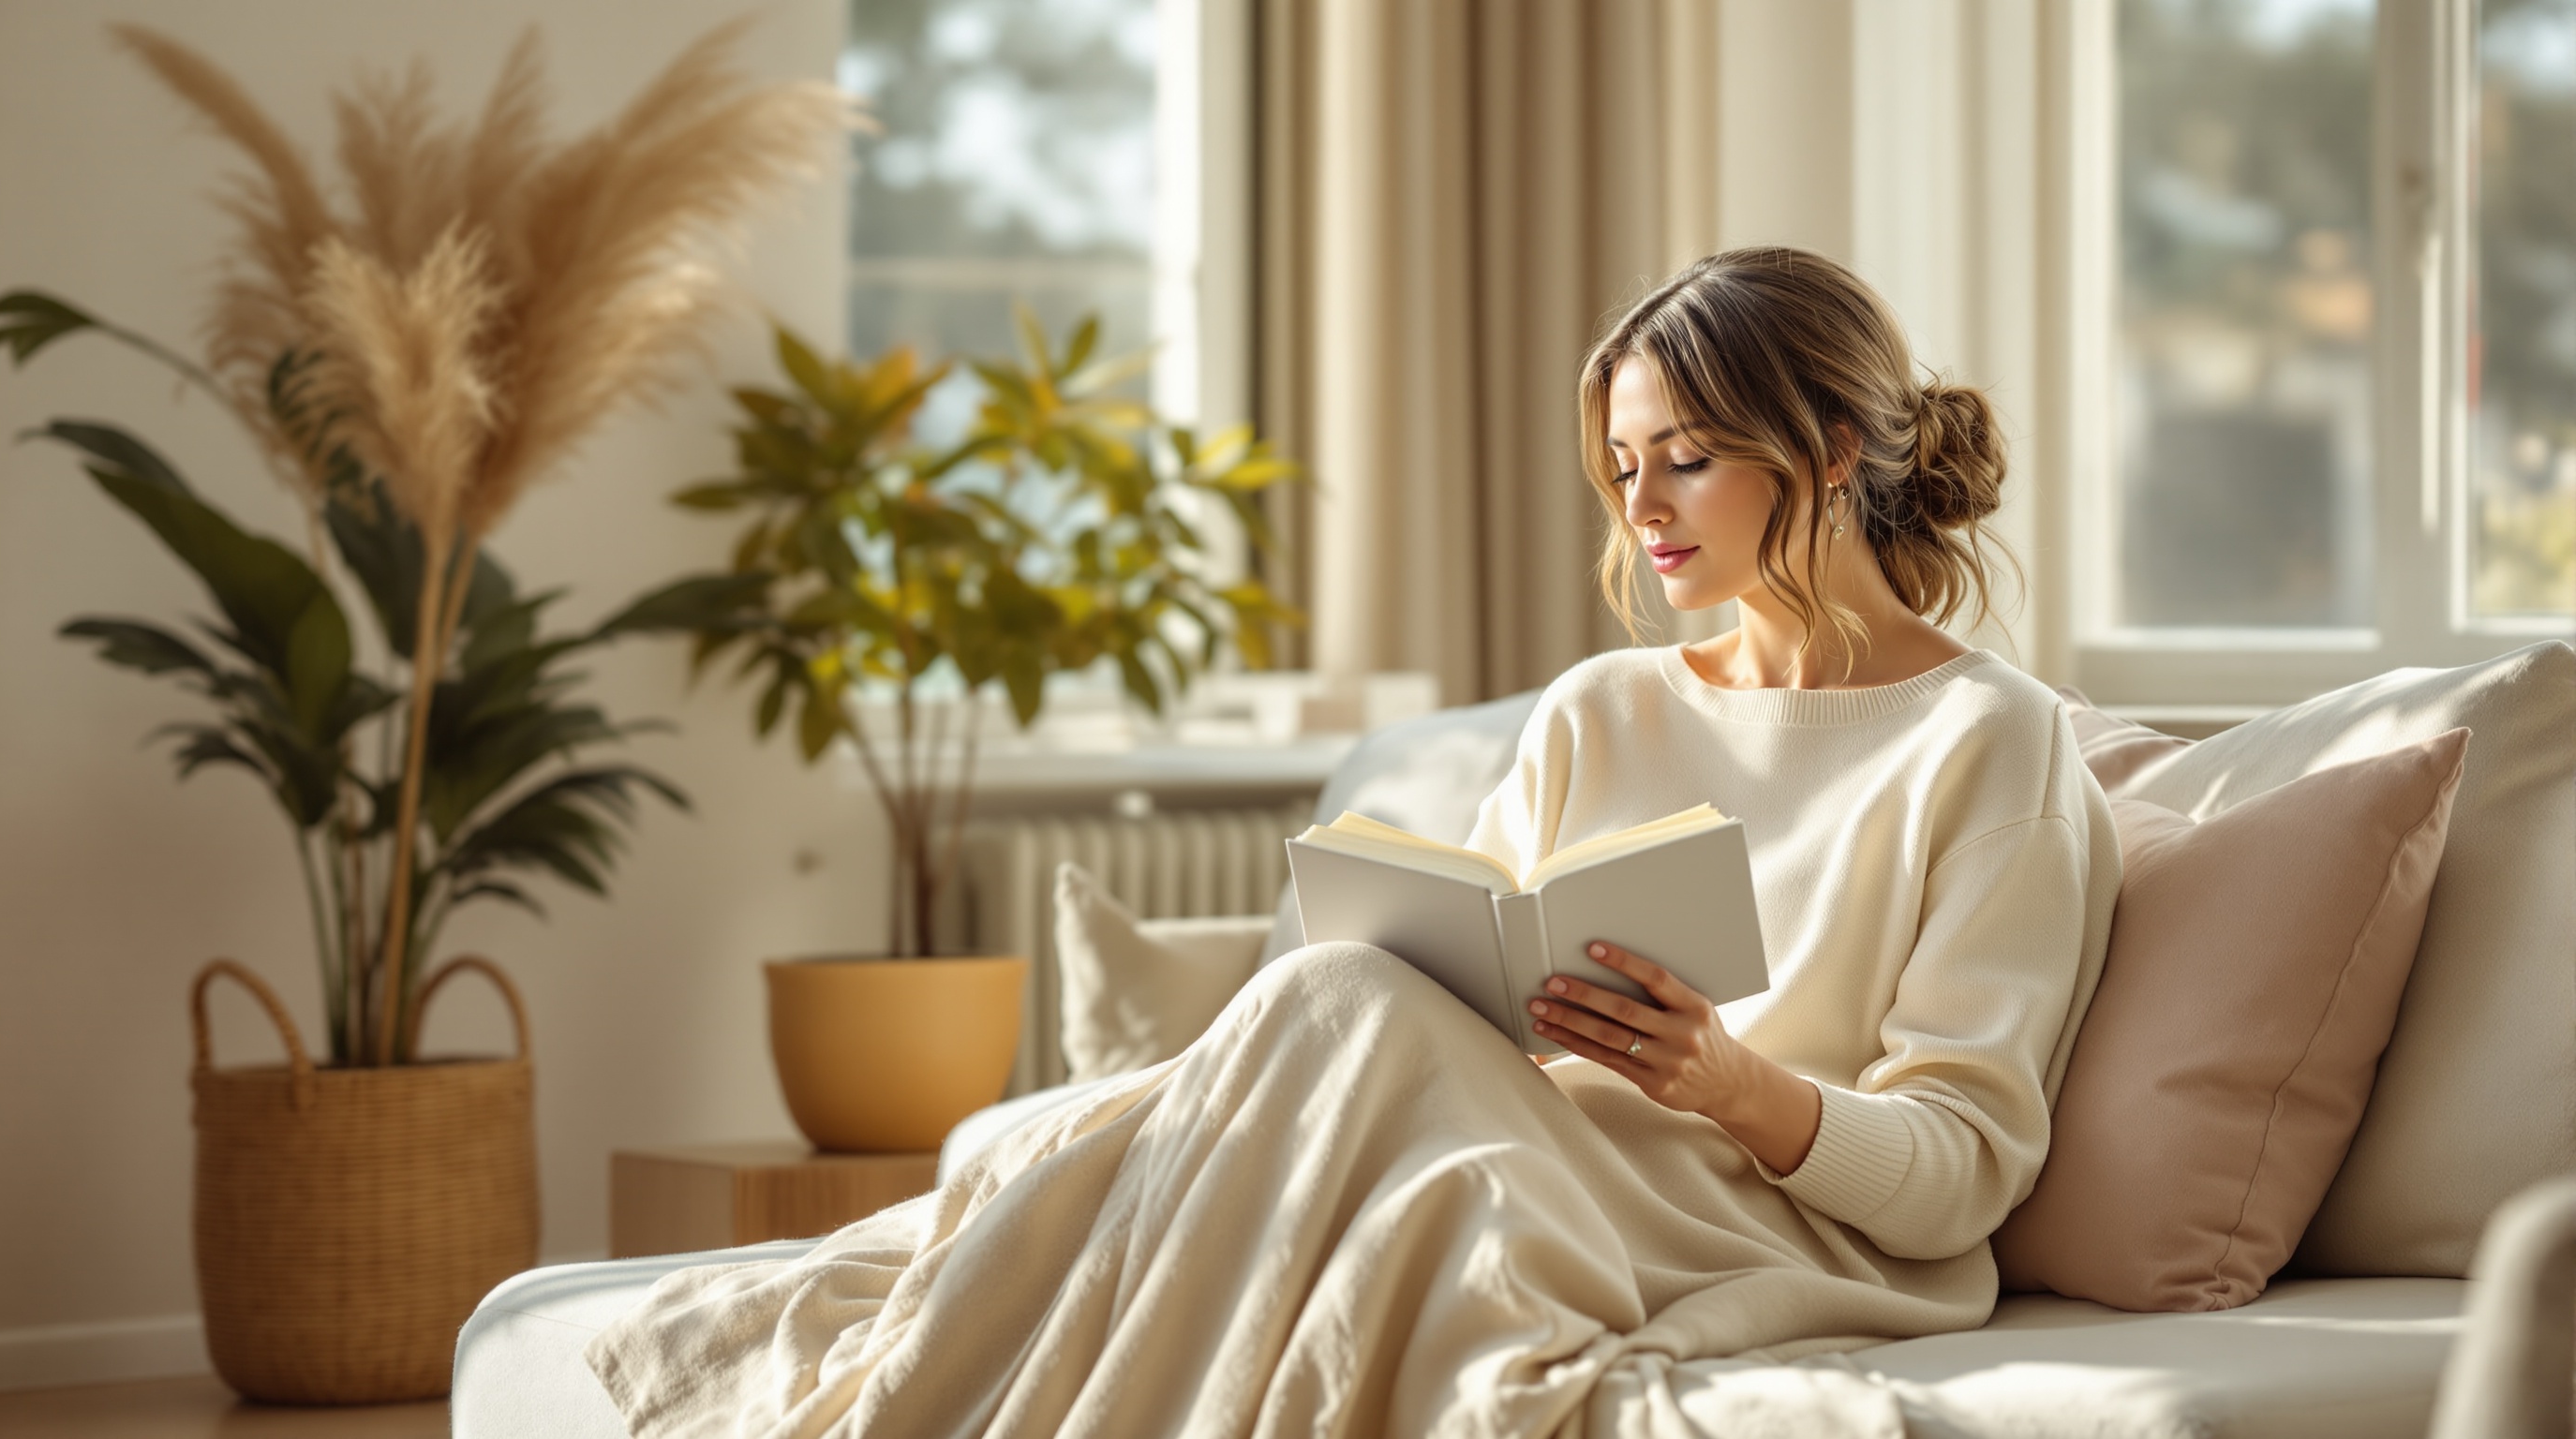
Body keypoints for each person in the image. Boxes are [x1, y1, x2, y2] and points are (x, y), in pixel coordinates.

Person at [588, 248, 2121, 1438]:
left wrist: (1727, 1080)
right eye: (1623, 465)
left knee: (1288, 1035)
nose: (1642, 508)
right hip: (1513, 1141)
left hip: (1749, 1210)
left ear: (1833, 444)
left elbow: (1960, 1178)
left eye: (1688, 457)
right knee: (1252, 1038)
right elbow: (1484, 987)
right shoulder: (1601, 709)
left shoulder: (1992, 742)